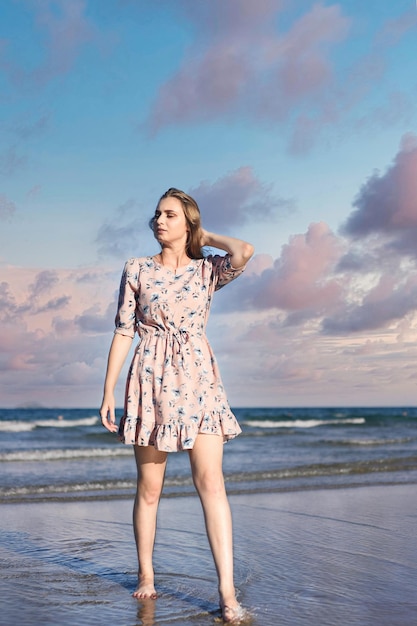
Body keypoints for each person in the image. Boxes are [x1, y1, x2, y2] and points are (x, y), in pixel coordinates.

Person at [100, 188, 254, 623]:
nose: (159, 220)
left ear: (188, 222)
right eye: (157, 214)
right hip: (150, 380)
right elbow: (124, 331)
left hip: (199, 381)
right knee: (150, 489)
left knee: (212, 482)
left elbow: (244, 250)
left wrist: (204, 235)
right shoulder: (137, 269)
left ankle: (226, 593)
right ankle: (146, 574)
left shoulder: (208, 270)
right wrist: (108, 390)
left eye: (170, 214)